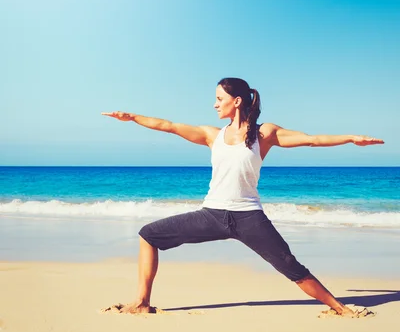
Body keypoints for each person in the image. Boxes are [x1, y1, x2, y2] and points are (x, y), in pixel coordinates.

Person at [102, 77, 384, 317]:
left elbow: (312, 139)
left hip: (249, 218)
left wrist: (350, 137)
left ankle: (339, 308)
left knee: (289, 265)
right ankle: (142, 303)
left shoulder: (265, 133)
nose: (214, 104)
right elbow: (169, 126)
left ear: (236, 101)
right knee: (148, 234)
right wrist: (132, 118)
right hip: (211, 215)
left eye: (218, 98)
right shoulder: (212, 135)